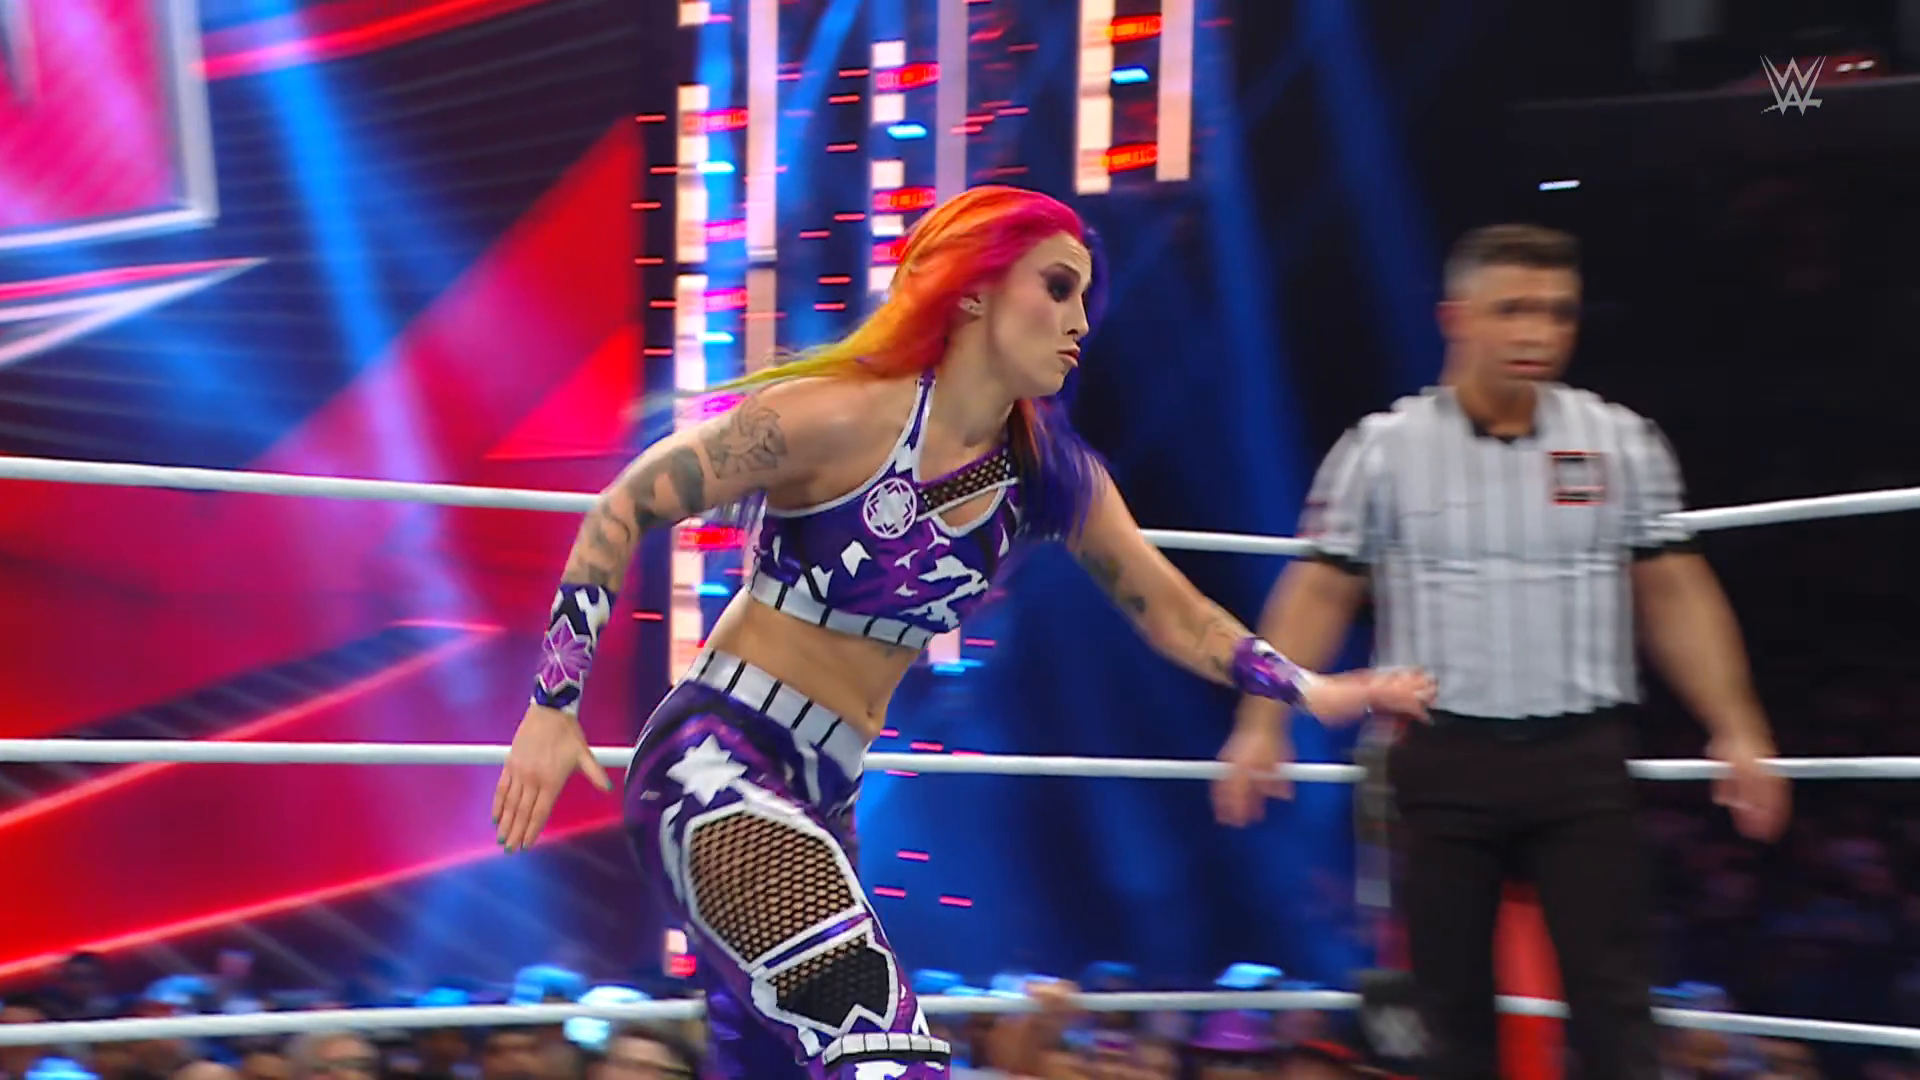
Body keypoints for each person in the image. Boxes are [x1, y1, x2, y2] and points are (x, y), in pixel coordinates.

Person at [491, 184, 1435, 1080]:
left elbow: (1175, 612)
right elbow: (624, 506)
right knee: (882, 1043)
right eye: (1056, 288)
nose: (1079, 320)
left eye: (1085, 298)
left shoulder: (1049, 474)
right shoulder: (841, 413)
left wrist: (1306, 687)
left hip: (827, 792)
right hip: (716, 760)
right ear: (976, 291)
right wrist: (551, 705)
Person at [1215, 224, 1792, 1079]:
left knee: (1616, 1006)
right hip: (1443, 760)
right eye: (1513, 309)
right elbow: (1320, 589)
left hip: (1582, 761)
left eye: (1558, 312)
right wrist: (1262, 723)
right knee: (1449, 1016)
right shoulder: (1383, 448)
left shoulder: (1619, 440)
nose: (1538, 332)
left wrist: (1735, 725)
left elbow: (1675, 589)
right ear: (1456, 317)